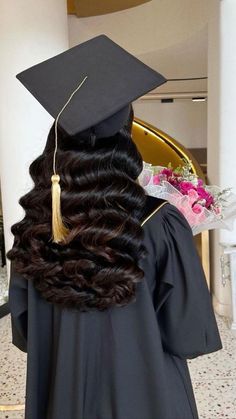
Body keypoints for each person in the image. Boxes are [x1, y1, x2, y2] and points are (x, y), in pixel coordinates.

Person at [7, 35, 222, 419]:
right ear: (126, 139)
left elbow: (25, 334)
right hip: (147, 396)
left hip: (61, 396)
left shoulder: (37, 227)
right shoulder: (158, 222)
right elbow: (189, 334)